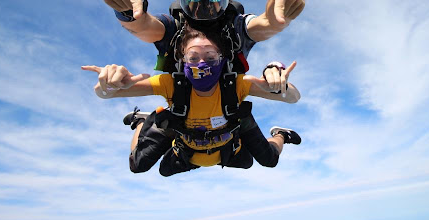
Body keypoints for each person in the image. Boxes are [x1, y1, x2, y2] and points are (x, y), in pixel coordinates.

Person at [82, 23, 301, 176]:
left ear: (222, 59)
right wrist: (110, 82)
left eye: (210, 57)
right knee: (138, 165)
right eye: (193, 57)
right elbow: (106, 94)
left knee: (268, 160)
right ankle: (141, 122)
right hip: (187, 147)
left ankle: (280, 135)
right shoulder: (170, 84)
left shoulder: (237, 84)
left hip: (227, 145)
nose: (202, 64)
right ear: (182, 59)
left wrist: (276, 77)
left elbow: (293, 97)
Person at [100, 0, 305, 82]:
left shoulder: (235, 28)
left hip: (227, 114)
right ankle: (140, 122)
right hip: (183, 114)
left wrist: (283, 6)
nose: (204, 2)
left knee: (263, 153)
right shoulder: (174, 29)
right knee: (144, 151)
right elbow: (143, 26)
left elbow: (265, 24)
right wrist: (125, 5)